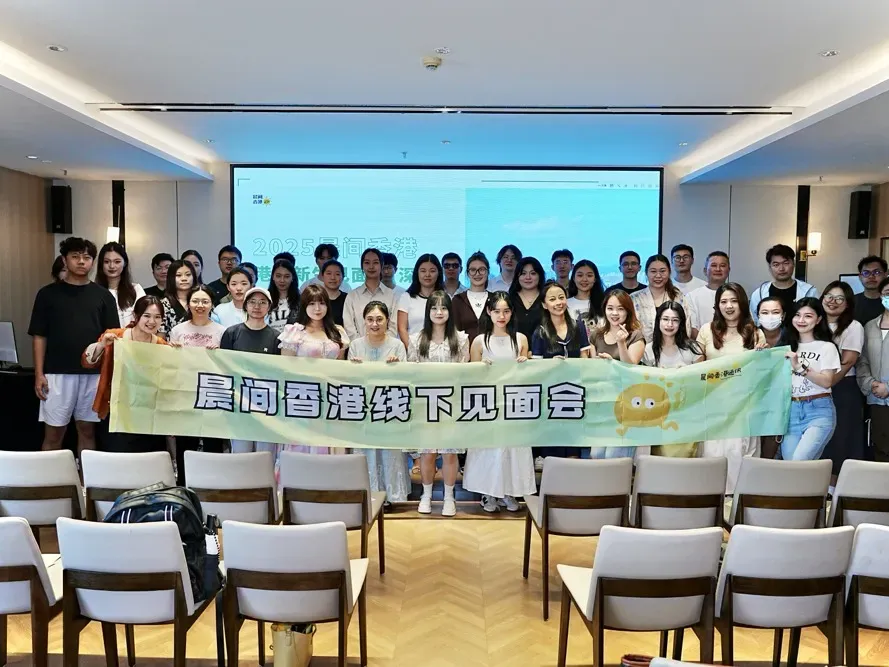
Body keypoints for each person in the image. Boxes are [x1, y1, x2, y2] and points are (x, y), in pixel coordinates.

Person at [29, 237, 120, 453]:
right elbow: (39, 336)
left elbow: (112, 338)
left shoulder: (104, 296)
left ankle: (85, 475)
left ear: (93, 262)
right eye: (75, 256)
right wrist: (39, 373)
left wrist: (109, 376)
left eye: (87, 257)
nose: (81, 261)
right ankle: (50, 476)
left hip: (93, 375)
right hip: (56, 374)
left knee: (87, 431)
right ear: (64, 259)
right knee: (54, 433)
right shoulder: (47, 294)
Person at [464, 291, 536, 513]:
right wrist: (481, 368)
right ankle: (488, 493)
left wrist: (525, 363)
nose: (501, 316)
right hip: (488, 403)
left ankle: (509, 492)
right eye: (496, 311)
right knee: (490, 449)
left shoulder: (520, 339)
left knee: (513, 448)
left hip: (514, 402)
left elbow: (527, 374)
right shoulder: (479, 341)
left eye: (506, 311)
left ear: (511, 313)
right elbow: (471, 377)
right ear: (489, 312)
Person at [696, 283, 765, 492]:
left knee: (738, 454)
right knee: (712, 453)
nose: (729, 306)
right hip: (713, 403)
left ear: (742, 303)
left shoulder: (755, 333)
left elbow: (761, 371)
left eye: (734, 301)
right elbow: (697, 366)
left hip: (743, 405)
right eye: (724, 301)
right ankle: (712, 501)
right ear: (717, 305)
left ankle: (735, 504)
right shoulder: (706, 330)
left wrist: (762, 358)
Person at [406, 291, 469, 517]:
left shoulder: (461, 339)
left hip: (452, 404)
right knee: (428, 452)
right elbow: (411, 373)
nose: (439, 312)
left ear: (450, 312)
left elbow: (466, 373)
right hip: (425, 405)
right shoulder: (416, 339)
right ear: (428, 312)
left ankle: (449, 496)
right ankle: (426, 495)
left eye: (443, 308)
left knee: (450, 453)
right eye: (434, 308)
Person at [81, 295, 168, 452]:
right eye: (147, 316)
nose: (152, 321)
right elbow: (87, 362)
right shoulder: (115, 336)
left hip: (147, 411)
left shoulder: (161, 345)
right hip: (116, 408)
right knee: (116, 454)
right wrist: (102, 345)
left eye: (157, 317)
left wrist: (175, 353)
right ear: (136, 315)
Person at [348, 301, 410, 502]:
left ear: (387, 321)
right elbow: (349, 381)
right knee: (366, 452)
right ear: (364, 321)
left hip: (390, 407)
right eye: (370, 319)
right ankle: (368, 493)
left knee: (390, 452)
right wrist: (354, 368)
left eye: (379, 319)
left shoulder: (397, 345)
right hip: (364, 409)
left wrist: (396, 367)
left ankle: (393, 495)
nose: (374, 324)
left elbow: (405, 380)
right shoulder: (356, 345)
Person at [278, 284, 350, 455]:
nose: (317, 308)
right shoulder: (295, 332)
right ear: (304, 305)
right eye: (312, 303)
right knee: (303, 442)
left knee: (331, 440)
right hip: (303, 396)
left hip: (331, 396)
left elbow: (340, 365)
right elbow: (286, 369)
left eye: (322, 303)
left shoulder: (337, 332)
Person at [168, 286, 227, 483]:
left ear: (212, 304)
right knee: (185, 444)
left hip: (213, 394)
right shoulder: (178, 330)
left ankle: (213, 485)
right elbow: (170, 365)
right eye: (195, 301)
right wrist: (171, 350)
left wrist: (220, 353)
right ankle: (184, 485)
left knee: (213, 443)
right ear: (188, 303)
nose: (200, 305)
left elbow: (227, 366)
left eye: (205, 301)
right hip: (185, 393)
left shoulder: (222, 332)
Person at [530, 282, 591, 462]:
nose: (558, 303)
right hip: (551, 395)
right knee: (553, 446)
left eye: (561, 297)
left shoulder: (578, 326)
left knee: (573, 445)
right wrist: (551, 365)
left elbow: (585, 356)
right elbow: (537, 368)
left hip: (575, 391)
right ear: (544, 304)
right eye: (552, 299)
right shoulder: (540, 332)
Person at [220, 286, 281, 454]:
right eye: (252, 302)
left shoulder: (276, 337)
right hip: (239, 404)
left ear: (269, 307)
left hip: (267, 405)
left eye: (262, 302)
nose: (257, 306)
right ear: (245, 305)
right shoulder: (232, 333)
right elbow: (223, 367)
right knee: (241, 455)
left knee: (265, 455)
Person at [642, 302, 703, 457]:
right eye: (665, 319)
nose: (669, 324)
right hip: (658, 415)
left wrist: (686, 376)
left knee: (685, 459)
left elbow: (701, 383)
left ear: (681, 323)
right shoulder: (648, 350)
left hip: (687, 414)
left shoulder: (693, 349)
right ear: (658, 321)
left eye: (675, 320)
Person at [782, 298, 840, 461]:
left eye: (808, 316)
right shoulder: (785, 346)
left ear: (818, 319)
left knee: (799, 461)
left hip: (818, 409)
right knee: (790, 466)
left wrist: (799, 367)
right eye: (797, 315)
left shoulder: (827, 347)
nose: (801, 320)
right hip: (791, 410)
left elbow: (827, 381)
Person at [820, 281, 864, 479]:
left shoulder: (853, 326)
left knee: (841, 439)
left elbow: (848, 361)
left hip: (842, 387)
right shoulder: (814, 322)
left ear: (847, 304)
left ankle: (837, 487)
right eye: (829, 296)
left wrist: (827, 383)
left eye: (840, 298)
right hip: (816, 387)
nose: (833, 301)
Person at [856, 276, 889, 462]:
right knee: (881, 449)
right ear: (881, 296)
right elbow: (862, 361)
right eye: (887, 293)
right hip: (877, 399)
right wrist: (871, 384)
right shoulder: (870, 327)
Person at [631, 254, 693, 342]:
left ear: (669, 272)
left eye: (662, 271)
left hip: (674, 348)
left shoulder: (678, 297)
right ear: (646, 273)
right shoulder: (634, 298)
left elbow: (686, 327)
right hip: (641, 348)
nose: (658, 275)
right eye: (653, 271)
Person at [749, 244, 817, 321]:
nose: (781, 268)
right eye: (776, 264)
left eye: (786, 263)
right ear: (770, 267)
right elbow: (754, 320)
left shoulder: (809, 291)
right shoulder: (759, 294)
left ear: (793, 264)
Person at [343, 248, 398, 340]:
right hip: (358, 348)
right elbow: (349, 327)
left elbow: (394, 326)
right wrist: (362, 345)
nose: (371, 266)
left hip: (386, 347)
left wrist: (383, 344)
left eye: (375, 262)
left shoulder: (391, 295)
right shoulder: (352, 296)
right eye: (367, 263)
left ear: (381, 265)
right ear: (362, 266)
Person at [757, 296, 787, 459]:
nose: (770, 317)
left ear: (783, 315)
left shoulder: (792, 337)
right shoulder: (750, 335)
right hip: (754, 400)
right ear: (757, 315)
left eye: (775, 312)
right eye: (765, 312)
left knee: (772, 447)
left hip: (782, 401)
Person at [397, 254, 444, 349]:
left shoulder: (444, 298)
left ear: (438, 273)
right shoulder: (406, 297)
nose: (427, 275)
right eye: (423, 271)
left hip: (439, 351)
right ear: (417, 273)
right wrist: (412, 351)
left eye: (432, 271)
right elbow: (402, 329)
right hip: (413, 351)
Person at [96, 242, 146, 327]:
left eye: (117, 262)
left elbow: (145, 319)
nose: (112, 266)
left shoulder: (136, 290)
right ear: (101, 264)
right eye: (107, 262)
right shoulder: (94, 292)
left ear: (125, 263)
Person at [589, 290, 646, 364]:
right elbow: (593, 366)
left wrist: (621, 343)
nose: (615, 313)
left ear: (628, 311)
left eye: (620, 309)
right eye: (610, 308)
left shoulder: (635, 336)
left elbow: (631, 367)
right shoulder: (596, 335)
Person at [451, 251, 490, 343]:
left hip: (491, 350)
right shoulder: (458, 300)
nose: (477, 274)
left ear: (488, 272)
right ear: (467, 273)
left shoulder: (495, 299)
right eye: (473, 270)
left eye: (482, 269)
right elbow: (454, 331)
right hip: (464, 349)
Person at [686, 251, 730, 331]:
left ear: (728, 270)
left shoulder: (737, 295)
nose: (718, 269)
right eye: (713, 265)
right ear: (705, 271)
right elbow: (692, 328)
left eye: (722, 266)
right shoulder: (692, 296)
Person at [510, 257, 546, 343]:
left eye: (533, 273)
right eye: (523, 273)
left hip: (543, 349)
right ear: (517, 276)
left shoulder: (547, 299)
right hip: (515, 348)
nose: (528, 277)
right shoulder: (509, 300)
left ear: (540, 275)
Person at [159, 259, 197, 338]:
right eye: (178, 275)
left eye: (188, 275)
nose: (184, 279)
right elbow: (160, 336)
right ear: (171, 278)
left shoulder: (202, 301)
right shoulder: (163, 304)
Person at [567, 259, 605, 330]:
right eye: (580, 275)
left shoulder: (604, 303)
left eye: (589, 275)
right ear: (574, 278)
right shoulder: (566, 304)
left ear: (595, 279)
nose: (584, 279)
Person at [268, 259, 299, 332]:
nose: (282, 280)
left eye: (287, 276)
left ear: (292, 277)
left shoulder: (300, 301)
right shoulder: (265, 298)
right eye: (278, 276)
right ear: (273, 277)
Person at [854, 255, 887, 325]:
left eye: (877, 272)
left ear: (885, 275)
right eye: (866, 273)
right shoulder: (850, 302)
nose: (871, 276)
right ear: (860, 277)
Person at [317, 259, 347, 326]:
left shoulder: (348, 299)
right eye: (328, 273)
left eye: (337, 274)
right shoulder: (315, 298)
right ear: (322, 276)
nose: (333, 277)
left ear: (342, 277)